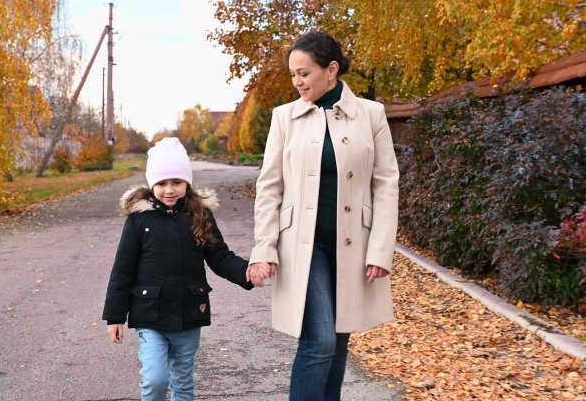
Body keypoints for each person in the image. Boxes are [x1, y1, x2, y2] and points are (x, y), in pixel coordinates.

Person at [246, 31, 400, 400]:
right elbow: (269, 187)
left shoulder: (371, 114)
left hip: (354, 244)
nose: (297, 81)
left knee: (339, 341)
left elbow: (386, 184)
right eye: (292, 74)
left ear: (331, 70)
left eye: (305, 73)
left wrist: (380, 250)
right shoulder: (285, 118)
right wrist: (264, 247)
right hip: (303, 244)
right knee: (320, 340)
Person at [102, 137, 254, 401]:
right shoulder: (140, 220)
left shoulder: (200, 215)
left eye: (177, 182)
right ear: (152, 185)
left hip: (189, 312)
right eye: (161, 183)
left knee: (182, 381)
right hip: (150, 314)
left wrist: (247, 272)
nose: (169, 189)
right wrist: (115, 316)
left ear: (187, 183)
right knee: (155, 379)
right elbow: (123, 269)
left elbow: (219, 256)